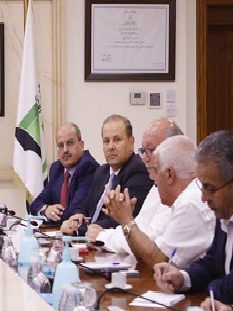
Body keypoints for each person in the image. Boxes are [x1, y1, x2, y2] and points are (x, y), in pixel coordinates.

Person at [154, 130, 233, 304]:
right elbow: (212, 263)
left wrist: (212, 287)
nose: (203, 198)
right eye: (202, 187)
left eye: (210, 189)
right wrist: (182, 278)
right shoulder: (224, 210)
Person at [97, 135, 215, 269]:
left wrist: (126, 220)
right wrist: (127, 221)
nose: (155, 182)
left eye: (156, 171)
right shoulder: (185, 196)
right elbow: (143, 252)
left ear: (169, 174)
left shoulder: (189, 203)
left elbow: (158, 259)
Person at [87, 118, 182, 253]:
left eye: (151, 150)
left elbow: (148, 243)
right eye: (143, 150)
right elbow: (138, 229)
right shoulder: (156, 187)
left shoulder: (142, 173)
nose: (144, 158)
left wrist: (102, 236)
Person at [61, 114, 152, 234]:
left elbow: (119, 222)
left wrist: (78, 229)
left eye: (117, 140)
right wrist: (78, 216)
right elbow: (85, 206)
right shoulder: (101, 172)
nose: (110, 147)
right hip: (89, 239)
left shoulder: (138, 171)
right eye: (106, 141)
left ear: (131, 143)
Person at [30, 123, 99, 223]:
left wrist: (51, 214)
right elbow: (35, 205)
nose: (65, 150)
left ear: (81, 145)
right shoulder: (56, 168)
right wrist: (46, 210)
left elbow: (73, 213)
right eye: (60, 145)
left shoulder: (88, 167)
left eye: (70, 143)